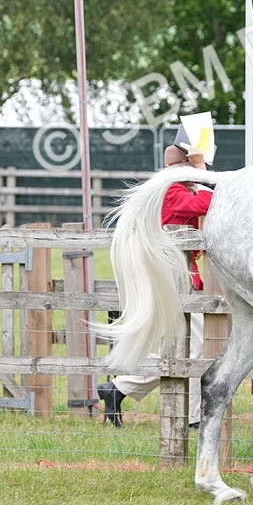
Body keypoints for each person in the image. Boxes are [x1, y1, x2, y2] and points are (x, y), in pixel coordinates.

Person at [98, 143, 212, 427]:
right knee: (196, 347)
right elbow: (207, 204)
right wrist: (202, 170)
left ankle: (120, 388)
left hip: (181, 275)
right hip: (177, 276)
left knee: (181, 344)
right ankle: (194, 416)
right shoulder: (171, 191)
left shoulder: (173, 190)